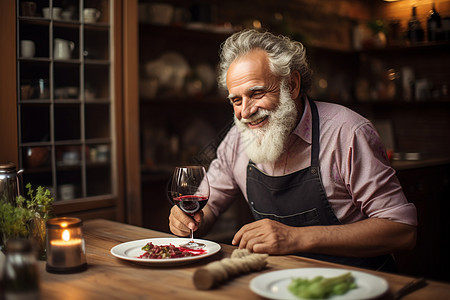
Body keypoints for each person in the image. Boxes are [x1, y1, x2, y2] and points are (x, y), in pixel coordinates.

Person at [168, 29, 417, 271]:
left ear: (292, 85)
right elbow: (208, 207)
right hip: (279, 284)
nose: (245, 112)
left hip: (358, 284)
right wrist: (189, 221)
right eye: (236, 100)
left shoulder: (347, 132)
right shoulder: (237, 138)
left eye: (256, 93)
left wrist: (296, 238)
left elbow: (402, 230)